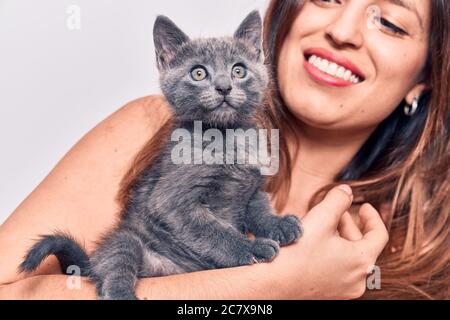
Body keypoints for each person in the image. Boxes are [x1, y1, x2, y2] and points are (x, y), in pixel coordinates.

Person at [0, 0, 448, 299]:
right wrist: (273, 284)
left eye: (389, 21)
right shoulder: (153, 130)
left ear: (425, 75)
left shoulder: (427, 249)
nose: (343, 31)